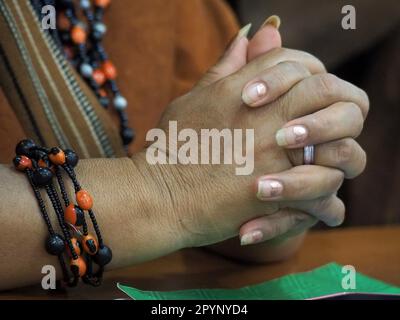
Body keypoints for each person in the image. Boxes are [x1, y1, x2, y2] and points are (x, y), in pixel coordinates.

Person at [0, 0, 368, 290]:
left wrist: (272, 198)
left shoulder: (179, 9)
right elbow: (184, 193)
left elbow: (211, 210)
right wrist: (167, 188)